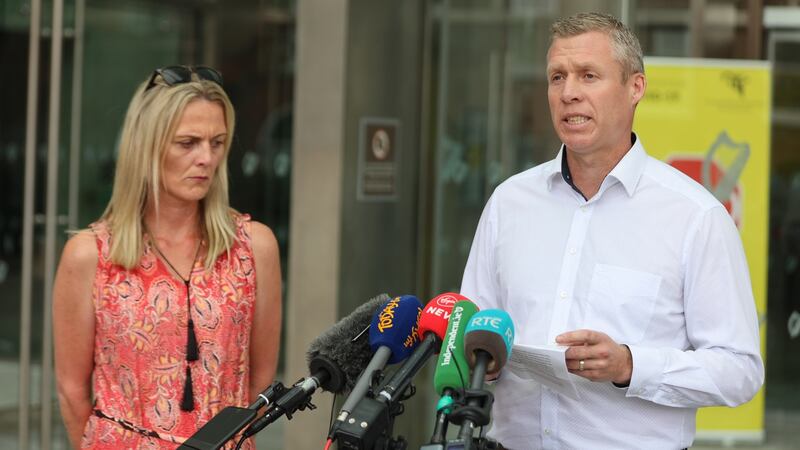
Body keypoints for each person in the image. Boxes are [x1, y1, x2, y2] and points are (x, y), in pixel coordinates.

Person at [460, 12, 763, 450]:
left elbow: (740, 371)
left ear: (635, 87)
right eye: (557, 77)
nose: (569, 94)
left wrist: (629, 366)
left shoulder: (695, 216)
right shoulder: (509, 203)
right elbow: (475, 325)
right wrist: (481, 361)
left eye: (588, 76)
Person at [53, 66, 282, 449]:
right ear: (147, 146)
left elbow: (259, 385)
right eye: (187, 142)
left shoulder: (254, 248)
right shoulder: (91, 255)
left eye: (217, 142)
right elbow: (72, 392)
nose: (206, 158)